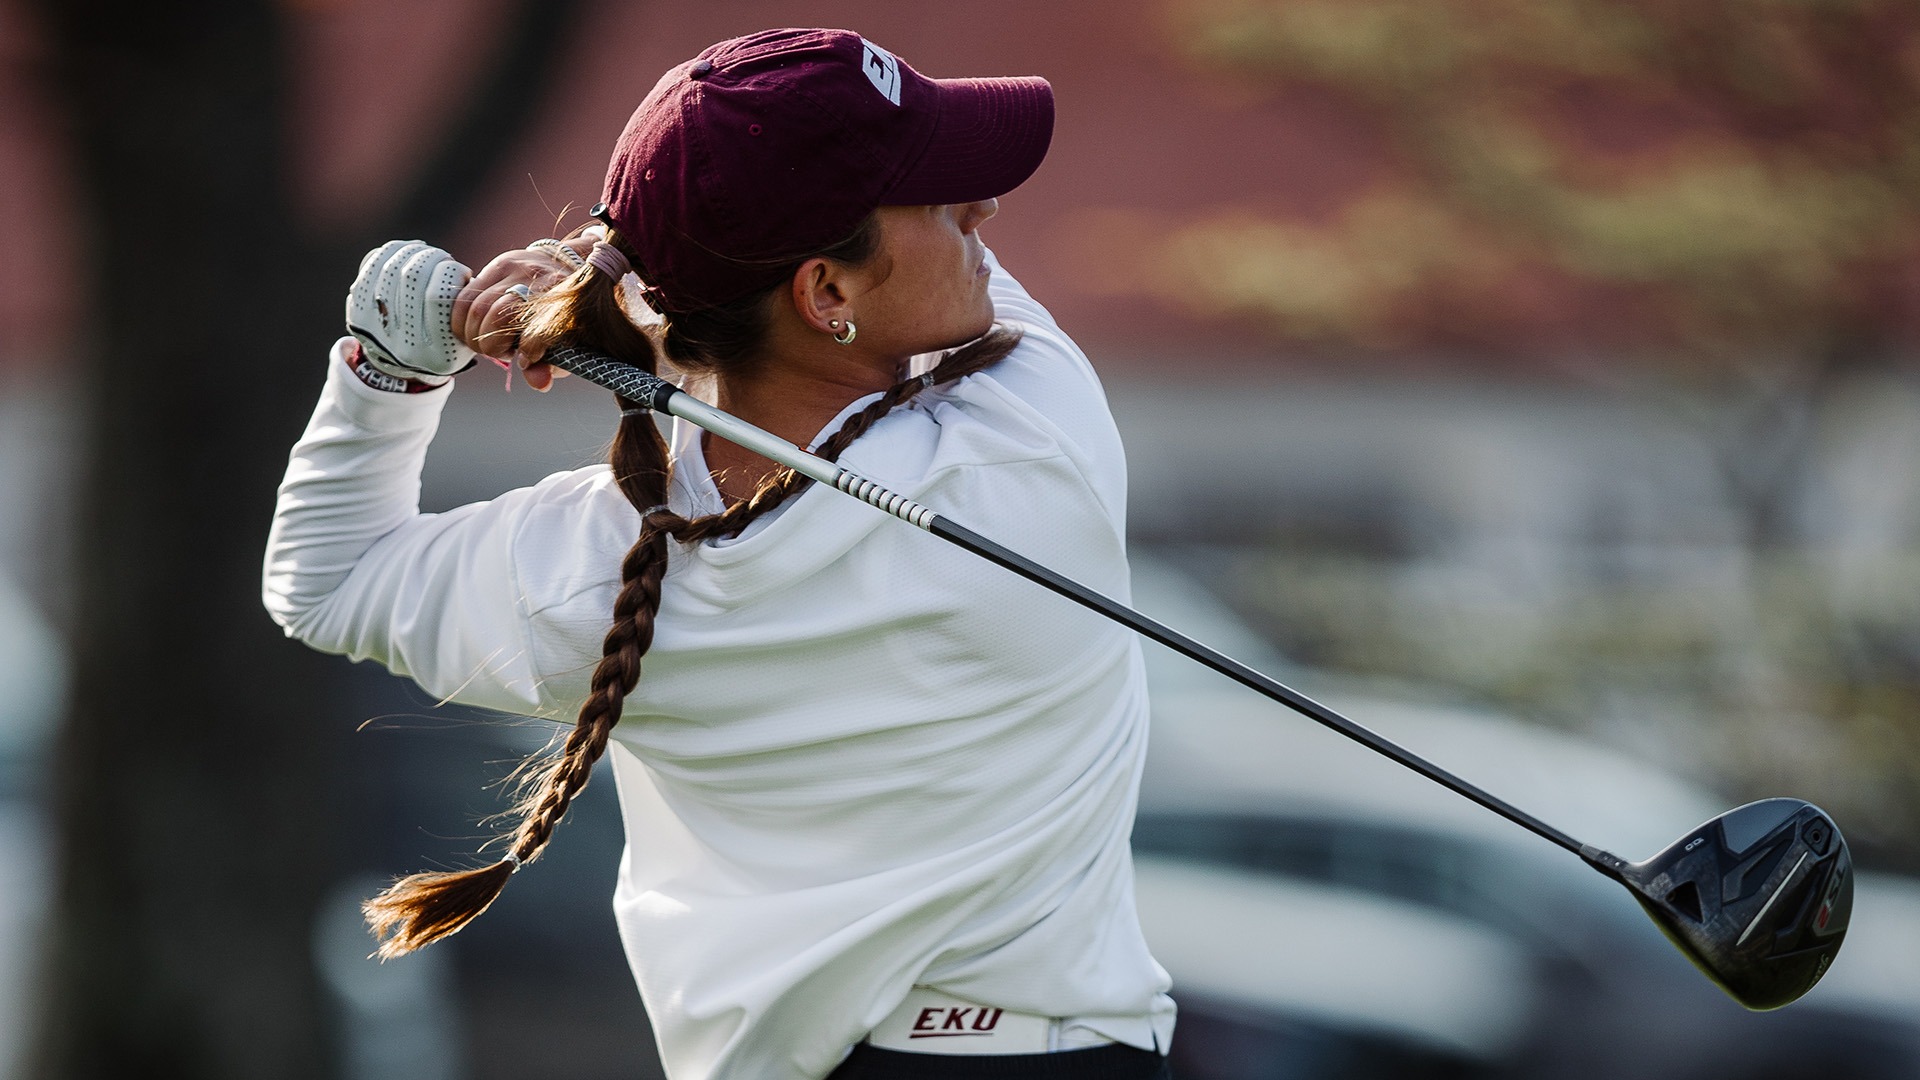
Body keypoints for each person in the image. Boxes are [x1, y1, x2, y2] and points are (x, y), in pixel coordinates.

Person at [264, 27, 1175, 1080]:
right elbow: (937, 305)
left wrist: (396, 363)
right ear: (826, 293)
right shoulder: (1034, 437)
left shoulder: (602, 571)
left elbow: (325, 580)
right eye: (937, 200)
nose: (983, 212)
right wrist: (608, 284)